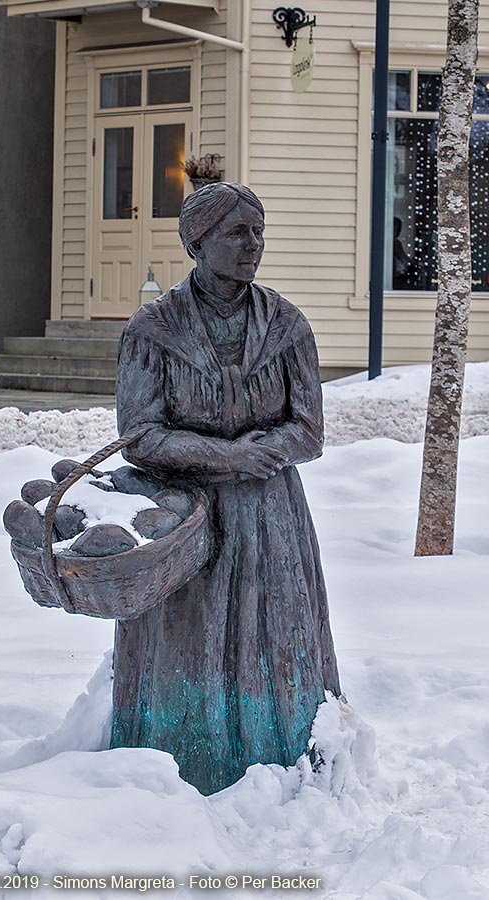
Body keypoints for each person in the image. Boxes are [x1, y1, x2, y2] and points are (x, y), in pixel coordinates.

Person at [113, 182, 341, 795]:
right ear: (198, 241)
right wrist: (225, 456)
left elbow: (310, 431)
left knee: (275, 634)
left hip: (271, 518)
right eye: (236, 232)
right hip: (186, 519)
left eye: (258, 232)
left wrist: (255, 457)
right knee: (189, 638)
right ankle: (181, 765)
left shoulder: (287, 325)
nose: (253, 245)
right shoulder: (153, 330)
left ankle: (284, 760)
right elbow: (138, 437)